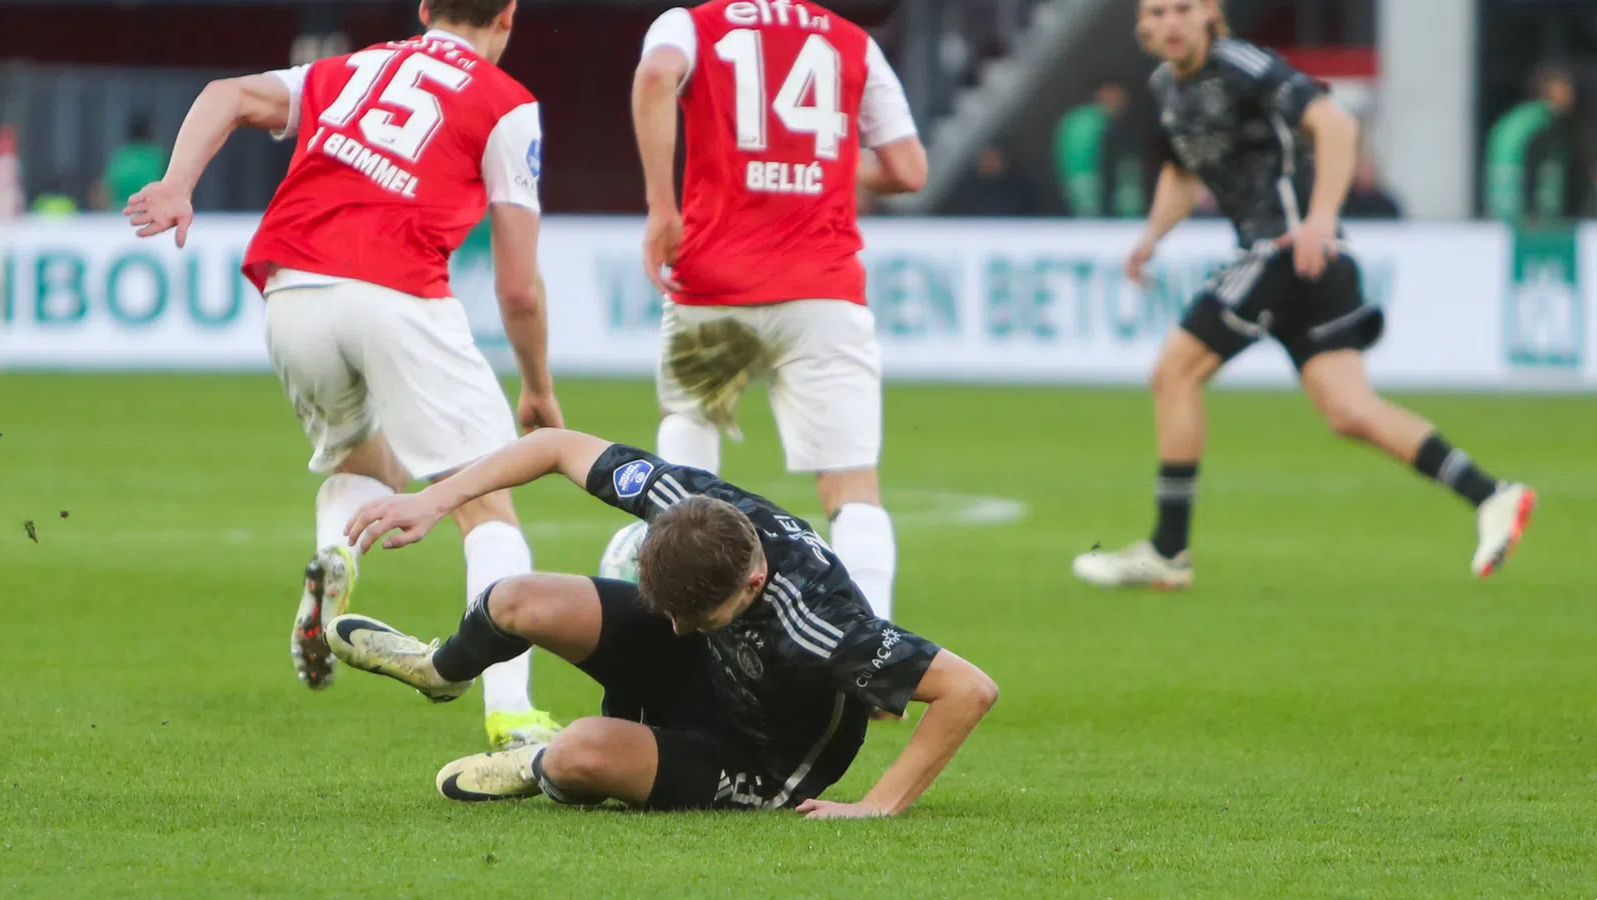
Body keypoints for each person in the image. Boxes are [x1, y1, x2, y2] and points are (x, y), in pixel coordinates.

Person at [124, 0, 565, 750]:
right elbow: (518, 288)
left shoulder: (355, 66)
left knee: (365, 459)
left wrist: (176, 184)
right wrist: (539, 386)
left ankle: (337, 553)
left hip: (291, 291)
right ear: (510, 17)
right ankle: (512, 715)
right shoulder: (507, 104)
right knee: (487, 507)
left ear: (425, 9)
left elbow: (228, 95)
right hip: (396, 292)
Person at [1073, 0, 1536, 590]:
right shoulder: (1167, 85)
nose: (1170, 22)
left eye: (1184, 8)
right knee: (1349, 411)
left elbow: (1335, 123)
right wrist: (1151, 239)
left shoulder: (1241, 64)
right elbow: (1184, 173)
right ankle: (1491, 494)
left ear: (1210, 14)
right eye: (1158, 11)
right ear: (1142, 24)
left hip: (1288, 248)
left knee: (1174, 375)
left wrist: (1320, 217)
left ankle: (1168, 552)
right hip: (1307, 260)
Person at [326, 427, 999, 816]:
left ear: (753, 584)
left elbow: (969, 689)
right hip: (707, 668)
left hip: (757, 753)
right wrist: (437, 499)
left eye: (696, 616)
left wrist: (877, 805)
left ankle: (535, 764)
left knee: (579, 751)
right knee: (516, 598)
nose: (676, 626)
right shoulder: (686, 500)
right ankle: (441, 672)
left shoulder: (820, 623)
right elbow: (557, 445)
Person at [625, 0, 929, 629]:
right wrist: (823, 162)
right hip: (823, 289)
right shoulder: (851, 41)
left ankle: (676, 631)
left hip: (715, 283)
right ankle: (875, 659)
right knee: (852, 490)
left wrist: (661, 205)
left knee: (688, 449)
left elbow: (655, 77)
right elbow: (908, 169)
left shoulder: (693, 22)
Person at [1485, 64, 1582, 223]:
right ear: (1548, 90)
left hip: (1501, 211)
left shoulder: (1522, 118)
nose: (1571, 94)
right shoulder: (1543, 122)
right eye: (1565, 88)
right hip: (1527, 216)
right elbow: (1532, 165)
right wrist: (1532, 211)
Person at [1055, 81, 1147, 218]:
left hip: (1095, 183)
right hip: (1088, 181)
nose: (1118, 100)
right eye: (1113, 94)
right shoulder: (1087, 122)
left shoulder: (1105, 121)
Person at [92, 114, 169, 212]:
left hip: (120, 214)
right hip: (151, 213)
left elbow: (103, 191)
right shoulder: (158, 156)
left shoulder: (121, 156)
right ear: (150, 132)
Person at [950, 144, 1038, 217]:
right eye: (987, 157)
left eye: (996, 157)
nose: (991, 162)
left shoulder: (1019, 191)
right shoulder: (965, 191)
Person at [1342, 154, 1402, 220]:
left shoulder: (1388, 205)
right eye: (1362, 169)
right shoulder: (1344, 202)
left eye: (1369, 169)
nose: (1365, 174)